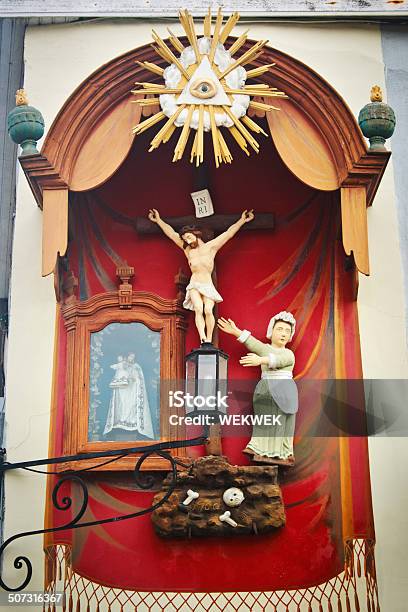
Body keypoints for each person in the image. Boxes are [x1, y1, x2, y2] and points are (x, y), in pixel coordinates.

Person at [148, 208, 254, 344]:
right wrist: (158, 221)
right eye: (185, 238)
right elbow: (172, 235)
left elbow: (228, 234)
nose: (187, 240)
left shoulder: (211, 247)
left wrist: (242, 220)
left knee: (208, 310)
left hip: (207, 284)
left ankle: (209, 338)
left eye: (189, 236)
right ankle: (203, 338)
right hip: (194, 284)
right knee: (198, 308)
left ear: (196, 234)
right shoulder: (188, 251)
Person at [217, 311, 298, 466]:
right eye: (279, 329)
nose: (283, 334)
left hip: (284, 392)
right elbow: (253, 343)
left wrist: (261, 360)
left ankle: (280, 454)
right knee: (264, 422)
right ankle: (258, 449)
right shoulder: (266, 348)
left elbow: (281, 360)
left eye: (287, 331)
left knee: (280, 423)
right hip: (265, 390)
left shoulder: (289, 353)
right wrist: (236, 331)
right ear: (271, 331)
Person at [103, 353, 154, 439]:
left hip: (132, 392)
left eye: (133, 357)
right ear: (127, 357)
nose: (131, 358)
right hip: (122, 392)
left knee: (131, 408)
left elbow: (139, 380)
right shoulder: (122, 365)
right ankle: (120, 422)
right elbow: (118, 377)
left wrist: (134, 379)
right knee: (121, 407)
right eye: (130, 356)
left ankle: (131, 423)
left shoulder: (136, 367)